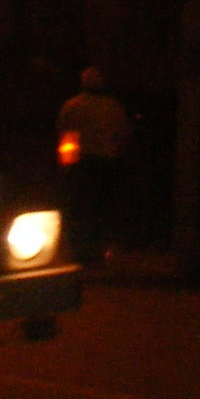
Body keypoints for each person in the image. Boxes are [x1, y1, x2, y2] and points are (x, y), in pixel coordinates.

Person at [57, 67, 131, 261]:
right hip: (106, 162)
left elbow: (66, 135)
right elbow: (122, 134)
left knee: (81, 208)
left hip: (81, 164)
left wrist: (67, 165)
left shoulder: (72, 106)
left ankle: (81, 251)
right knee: (102, 207)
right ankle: (99, 250)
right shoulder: (113, 106)